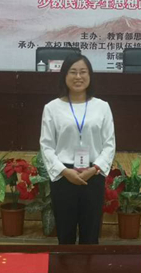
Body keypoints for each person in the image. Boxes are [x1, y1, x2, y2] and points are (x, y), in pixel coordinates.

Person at [40, 54, 115, 244]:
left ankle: (89, 264)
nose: (78, 77)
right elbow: (46, 146)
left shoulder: (102, 107)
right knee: (65, 234)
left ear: (90, 76)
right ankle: (65, 264)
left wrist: (94, 169)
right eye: (73, 72)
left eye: (83, 72)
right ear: (64, 76)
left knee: (91, 234)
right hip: (64, 176)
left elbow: (109, 144)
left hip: (93, 174)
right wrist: (65, 171)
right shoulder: (51, 108)